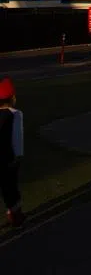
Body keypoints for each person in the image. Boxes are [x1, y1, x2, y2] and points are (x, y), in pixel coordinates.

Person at [0, 78, 25, 228]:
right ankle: (15, 215)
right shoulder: (15, 114)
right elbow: (17, 136)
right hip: (7, 158)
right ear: (12, 98)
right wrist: (18, 156)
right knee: (10, 188)